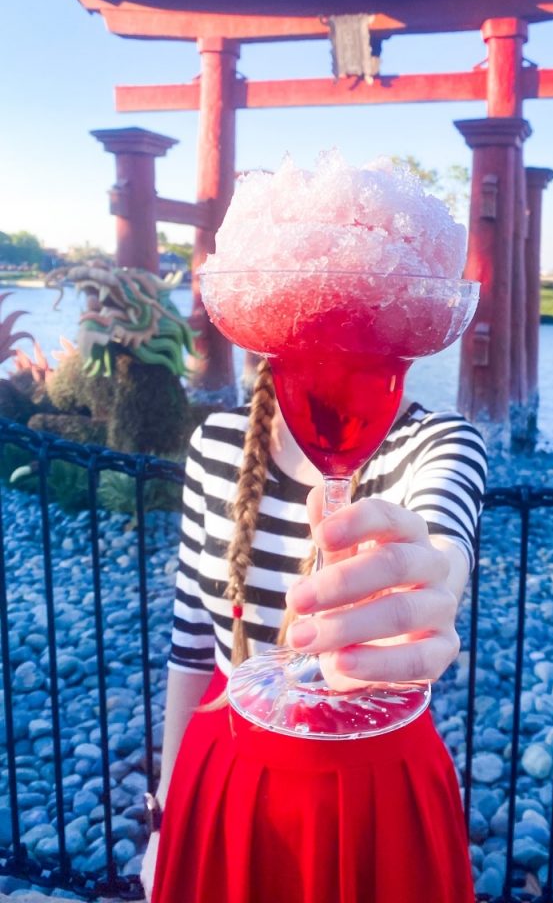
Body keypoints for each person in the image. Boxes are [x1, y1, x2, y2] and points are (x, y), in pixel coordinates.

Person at [141, 359, 487, 903]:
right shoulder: (217, 443)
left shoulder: (438, 443)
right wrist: (163, 818)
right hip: (221, 768)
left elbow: (441, 544)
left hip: (374, 790)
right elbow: (190, 647)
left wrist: (429, 598)